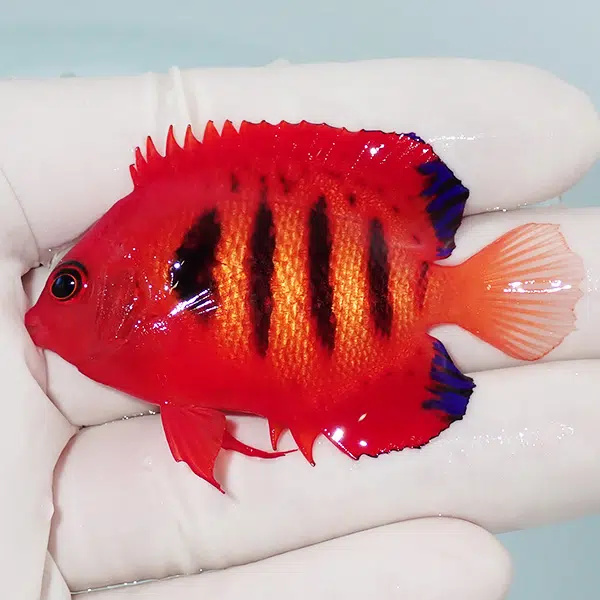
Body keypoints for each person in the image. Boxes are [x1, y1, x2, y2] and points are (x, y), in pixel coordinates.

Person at [0, 57, 598, 600]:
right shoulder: (138, 238)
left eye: (68, 285)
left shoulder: (140, 237)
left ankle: (463, 295)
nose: (40, 314)